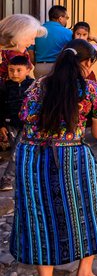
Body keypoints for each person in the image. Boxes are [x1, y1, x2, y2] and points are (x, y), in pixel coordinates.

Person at [10, 39, 97, 275]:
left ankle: (45, 273)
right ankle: (84, 270)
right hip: (71, 156)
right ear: (87, 63)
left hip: (32, 157)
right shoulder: (92, 90)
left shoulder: (37, 86)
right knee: (85, 210)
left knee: (38, 213)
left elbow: (24, 116)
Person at [0, 55, 35, 191]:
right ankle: (26, 177)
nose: (14, 73)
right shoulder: (4, 87)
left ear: (27, 70)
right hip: (10, 124)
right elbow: (0, 107)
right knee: (19, 152)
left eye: (18, 70)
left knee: (18, 151)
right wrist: (2, 124)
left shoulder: (33, 86)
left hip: (28, 125)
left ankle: (6, 179)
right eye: (11, 70)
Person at [28, 5, 72, 78]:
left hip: (40, 67)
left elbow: (31, 53)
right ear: (60, 18)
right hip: (58, 68)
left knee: (41, 89)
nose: (66, 20)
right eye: (66, 18)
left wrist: (37, 65)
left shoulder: (38, 31)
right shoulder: (68, 33)